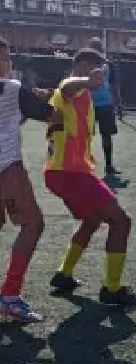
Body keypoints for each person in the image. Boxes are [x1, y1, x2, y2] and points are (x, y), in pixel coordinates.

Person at [45, 48, 136, 306]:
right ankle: (112, 291)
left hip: (63, 172)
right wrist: (86, 81)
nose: (100, 72)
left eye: (102, 68)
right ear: (80, 64)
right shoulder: (72, 88)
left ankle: (63, 275)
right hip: (71, 174)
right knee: (121, 222)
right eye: (95, 66)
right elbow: (68, 85)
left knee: (92, 221)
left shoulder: (82, 96)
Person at [0, 36, 60, 322]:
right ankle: (10, 295)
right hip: (6, 169)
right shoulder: (12, 88)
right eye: (7, 58)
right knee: (32, 224)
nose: (9, 64)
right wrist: (46, 102)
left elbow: (12, 116)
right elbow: (52, 116)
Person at [88, 38, 121, 175]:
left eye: (98, 48)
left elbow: (113, 85)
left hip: (106, 104)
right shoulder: (85, 65)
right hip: (88, 104)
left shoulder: (109, 65)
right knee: (85, 135)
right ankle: (84, 163)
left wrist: (117, 102)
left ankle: (109, 165)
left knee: (106, 135)